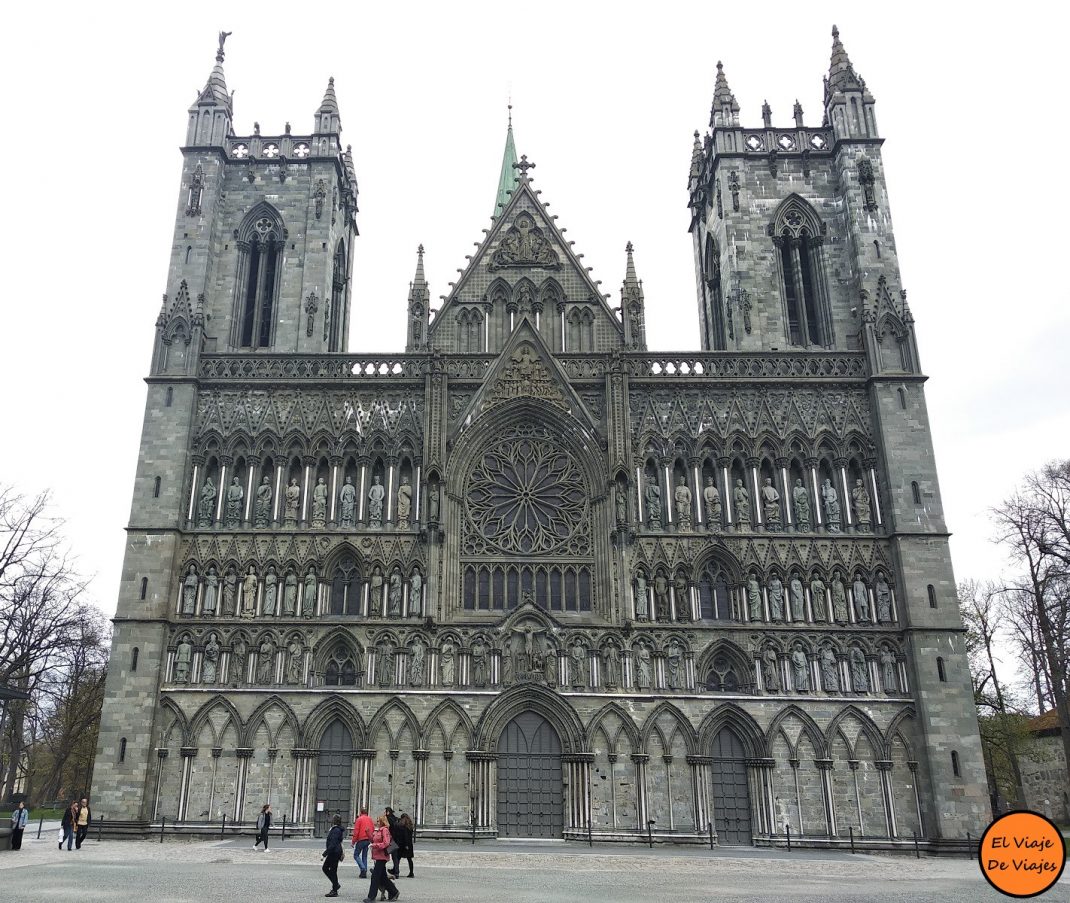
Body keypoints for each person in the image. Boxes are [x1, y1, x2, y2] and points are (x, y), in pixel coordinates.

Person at [365, 814, 399, 903]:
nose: (376, 822)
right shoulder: (379, 831)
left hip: (382, 856)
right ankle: (394, 892)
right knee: (383, 877)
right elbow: (374, 840)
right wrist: (368, 834)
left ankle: (371, 897)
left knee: (375, 877)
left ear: (382, 821)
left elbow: (386, 843)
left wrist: (374, 845)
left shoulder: (385, 830)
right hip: (378, 856)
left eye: (378, 821)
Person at [322, 813, 344, 897]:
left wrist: (324, 854)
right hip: (335, 852)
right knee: (330, 870)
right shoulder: (336, 829)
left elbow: (333, 844)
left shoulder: (336, 830)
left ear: (334, 820)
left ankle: (335, 888)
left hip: (334, 852)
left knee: (328, 869)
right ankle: (335, 886)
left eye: (333, 818)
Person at [352, 806, 374, 879]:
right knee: (364, 856)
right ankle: (364, 872)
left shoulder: (359, 819)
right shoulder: (370, 819)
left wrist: (353, 842)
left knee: (356, 855)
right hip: (368, 839)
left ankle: (363, 868)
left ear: (360, 812)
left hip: (361, 839)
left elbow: (356, 831)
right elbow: (373, 829)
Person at [396, 813, 415, 878]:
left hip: (403, 844)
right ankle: (411, 872)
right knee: (409, 859)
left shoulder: (403, 826)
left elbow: (405, 836)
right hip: (409, 844)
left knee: (398, 858)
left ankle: (396, 871)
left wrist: (405, 844)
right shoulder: (410, 825)